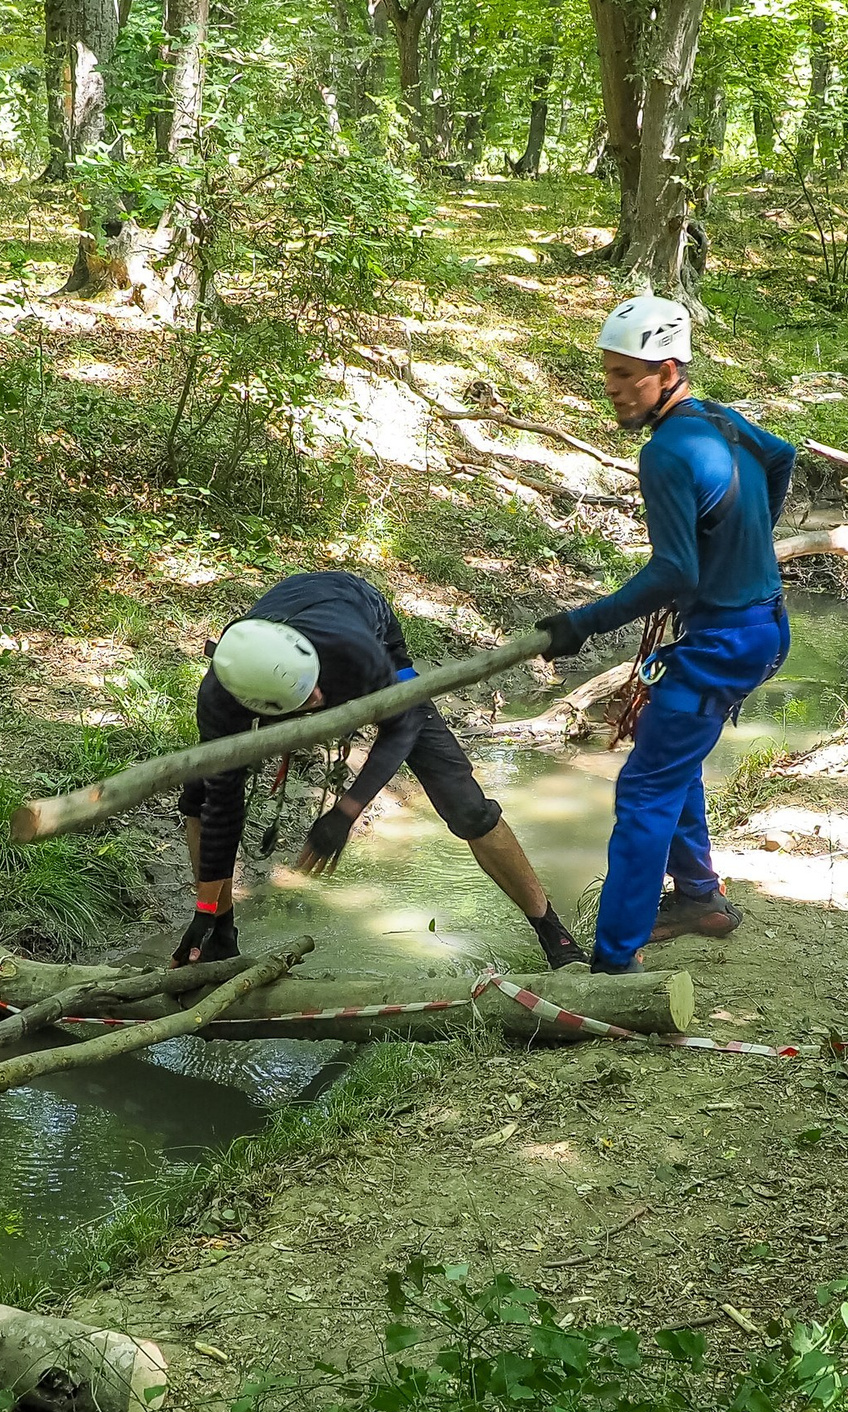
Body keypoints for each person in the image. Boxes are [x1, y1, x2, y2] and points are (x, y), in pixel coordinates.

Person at [537, 296, 797, 975]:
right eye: (609, 374)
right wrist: (748, 544)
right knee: (668, 758)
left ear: (669, 368)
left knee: (643, 792)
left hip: (723, 644)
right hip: (762, 627)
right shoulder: (717, 419)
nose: (614, 389)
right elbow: (781, 457)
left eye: (627, 375)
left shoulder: (665, 454)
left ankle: (613, 966)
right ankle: (700, 901)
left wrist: (580, 625)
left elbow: (673, 570)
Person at [171, 568, 589, 970]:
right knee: (202, 794)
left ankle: (553, 934)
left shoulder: (353, 649)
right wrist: (207, 911)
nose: (320, 700)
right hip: (292, 645)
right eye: (307, 702)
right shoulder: (221, 697)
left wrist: (346, 811)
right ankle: (220, 936)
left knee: (467, 807)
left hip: (362, 619)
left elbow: (401, 727)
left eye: (318, 691)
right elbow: (222, 807)